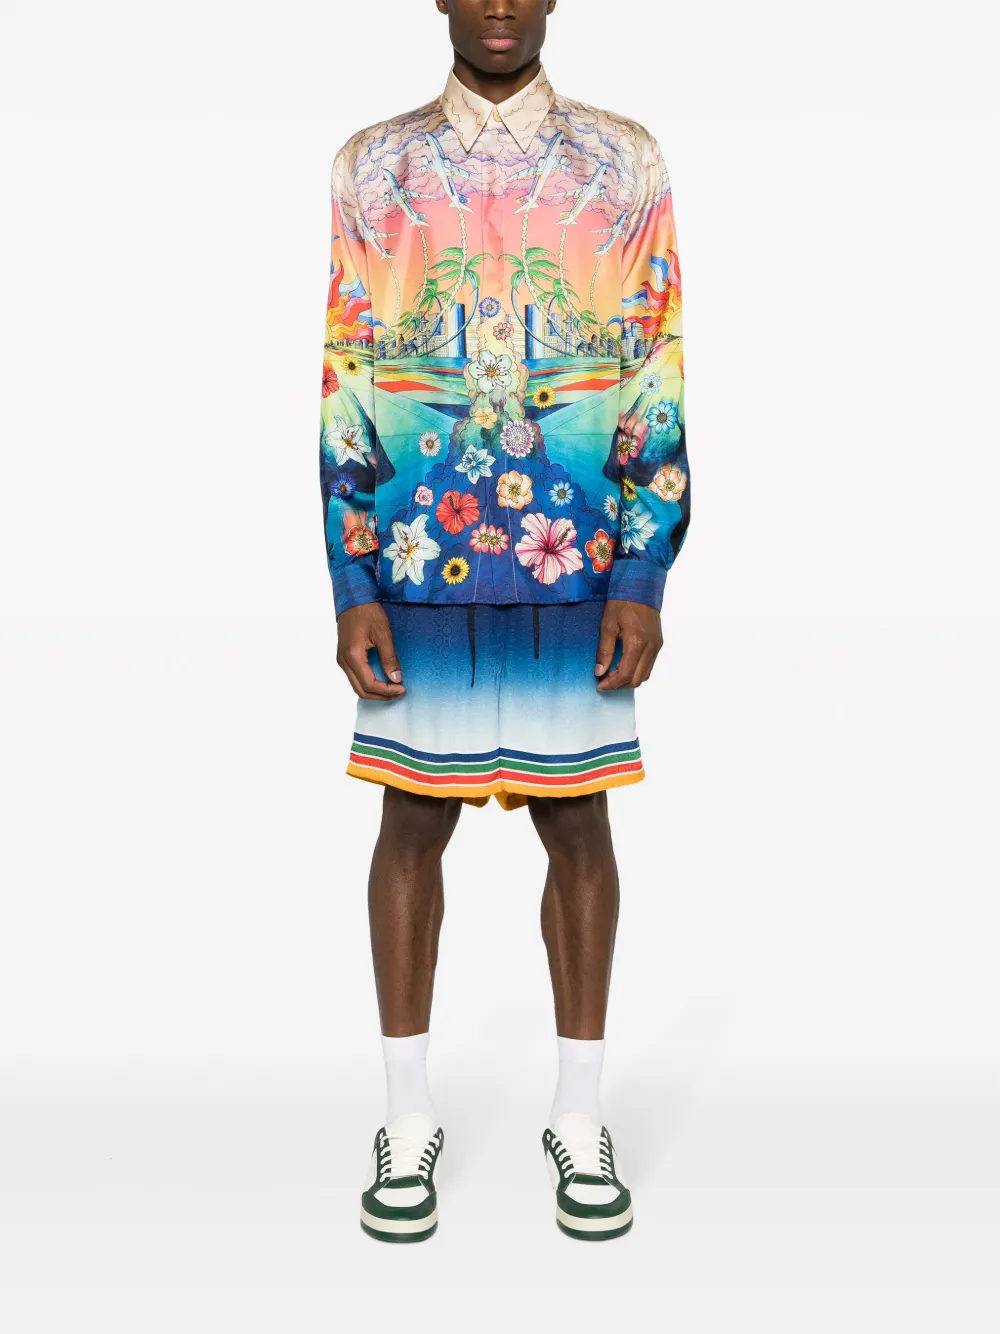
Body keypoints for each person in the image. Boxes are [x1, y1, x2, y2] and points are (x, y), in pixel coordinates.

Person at [319, 0, 689, 1243]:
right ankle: (406, 1113)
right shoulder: (374, 165)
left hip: (571, 551)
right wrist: (352, 578)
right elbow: (347, 370)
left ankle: (578, 1113)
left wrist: (642, 568)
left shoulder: (623, 161)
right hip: (417, 554)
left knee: (576, 823)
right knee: (408, 820)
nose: (497, 3)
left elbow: (654, 361)